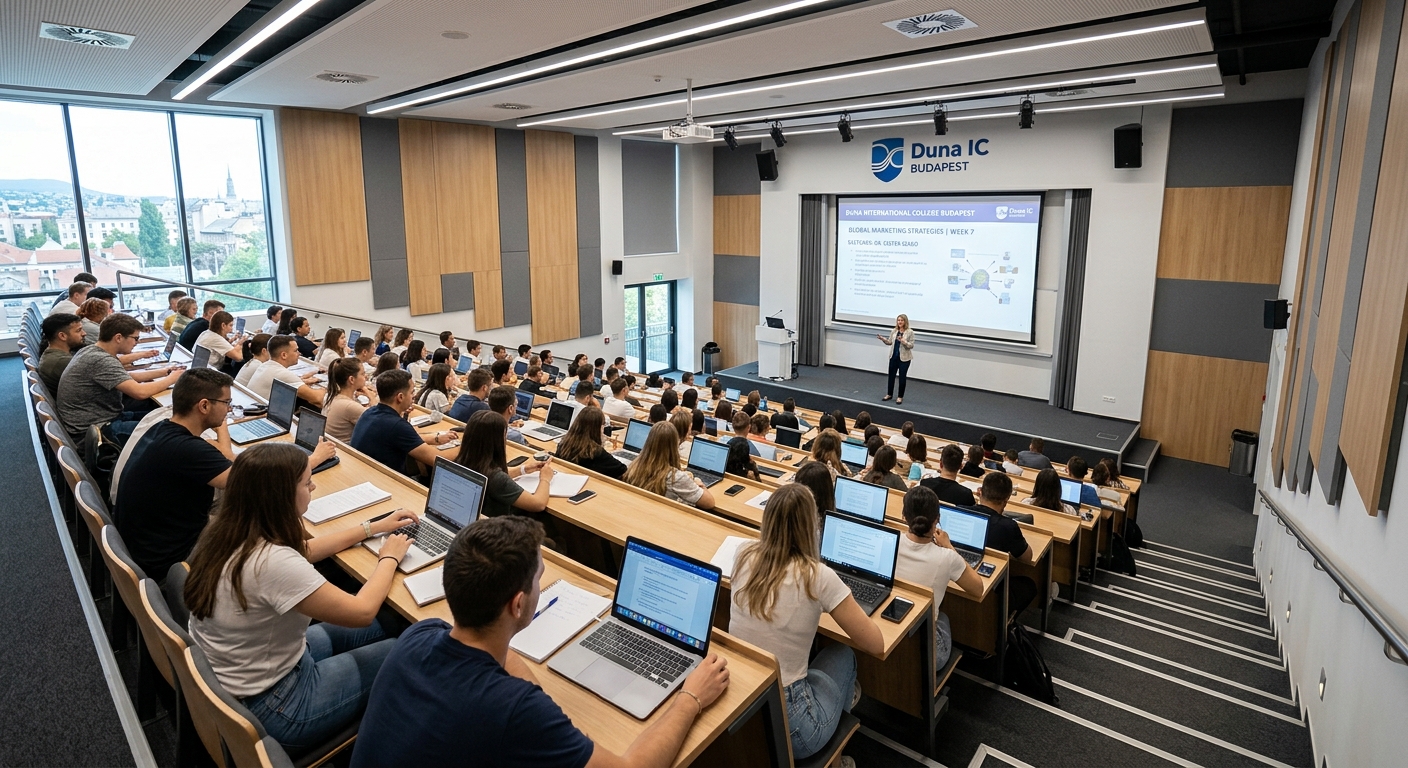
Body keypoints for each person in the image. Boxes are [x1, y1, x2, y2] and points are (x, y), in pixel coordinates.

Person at [352, 515, 729, 768]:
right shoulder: (514, 710)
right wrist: (690, 698)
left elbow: (499, 663)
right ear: (518, 604)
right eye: (538, 579)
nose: (540, 584)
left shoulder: (419, 635)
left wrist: (535, 700)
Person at [185, 442, 416, 754]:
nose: (313, 485)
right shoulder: (273, 562)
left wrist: (371, 528)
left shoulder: (227, 531)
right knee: (409, 650)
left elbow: (304, 552)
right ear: (281, 495)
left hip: (255, 669)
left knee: (388, 622)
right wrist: (389, 557)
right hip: (280, 706)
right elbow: (361, 611)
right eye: (307, 483)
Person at [729, 484, 883, 761]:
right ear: (813, 526)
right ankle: (837, 757)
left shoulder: (742, 553)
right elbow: (876, 643)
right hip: (796, 726)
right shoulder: (818, 577)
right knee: (844, 654)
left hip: (742, 696)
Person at [57, 314, 184, 444]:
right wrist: (172, 379)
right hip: (97, 431)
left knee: (167, 416)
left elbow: (128, 377)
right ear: (118, 338)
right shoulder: (101, 360)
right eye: (135, 338)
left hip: (103, 419)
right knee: (171, 432)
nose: (137, 342)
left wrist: (166, 372)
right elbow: (140, 392)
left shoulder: (92, 350)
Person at [895, 487, 985, 669]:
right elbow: (978, 589)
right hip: (927, 651)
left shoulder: (892, 541)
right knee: (942, 615)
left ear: (904, 515)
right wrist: (949, 547)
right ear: (937, 519)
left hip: (894, 631)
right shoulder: (947, 557)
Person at [351, 370, 455, 475]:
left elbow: (403, 438)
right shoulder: (397, 426)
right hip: (385, 481)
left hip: (362, 472)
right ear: (400, 397)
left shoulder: (370, 412)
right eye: (412, 392)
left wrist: (435, 438)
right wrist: (466, 446)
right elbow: (437, 460)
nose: (414, 396)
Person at [455, 410, 553, 518]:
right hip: (496, 529)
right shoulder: (497, 478)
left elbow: (489, 476)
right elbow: (538, 504)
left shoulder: (461, 461)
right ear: (498, 439)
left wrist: (523, 469)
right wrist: (545, 478)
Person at [969, 472, 1035, 615]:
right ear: (1006, 500)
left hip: (965, 574)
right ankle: (1007, 622)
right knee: (1029, 585)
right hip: (992, 589)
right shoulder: (1008, 526)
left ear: (980, 491)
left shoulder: (963, 510)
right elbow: (1027, 557)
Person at [623, 422, 715, 510]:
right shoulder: (675, 477)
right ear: (674, 446)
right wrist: (699, 483)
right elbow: (710, 503)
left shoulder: (634, 466)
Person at [247, 335, 324, 406]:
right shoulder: (282, 374)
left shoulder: (265, 366)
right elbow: (317, 398)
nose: (299, 353)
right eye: (296, 350)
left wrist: (304, 382)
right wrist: (325, 389)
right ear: (284, 355)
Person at [554, 405, 626, 480]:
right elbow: (622, 470)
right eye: (603, 425)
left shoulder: (564, 443)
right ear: (598, 428)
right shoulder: (596, 452)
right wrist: (601, 444)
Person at [37, 313, 85, 395]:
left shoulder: (53, 354)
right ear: (62, 336)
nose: (84, 333)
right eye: (78, 330)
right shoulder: (61, 361)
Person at [323, 358, 370, 442]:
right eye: (362, 374)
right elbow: (378, 423)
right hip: (344, 451)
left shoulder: (330, 396)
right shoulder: (350, 406)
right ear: (351, 379)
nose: (365, 376)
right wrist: (371, 397)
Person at [878, 313, 914, 404]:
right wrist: (883, 339)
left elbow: (911, 345)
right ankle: (889, 394)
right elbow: (890, 342)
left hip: (904, 359)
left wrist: (904, 341)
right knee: (891, 376)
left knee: (902, 378)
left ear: (905, 321)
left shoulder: (910, 332)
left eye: (901, 320)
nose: (900, 322)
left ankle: (900, 396)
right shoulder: (894, 331)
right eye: (898, 320)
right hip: (893, 357)